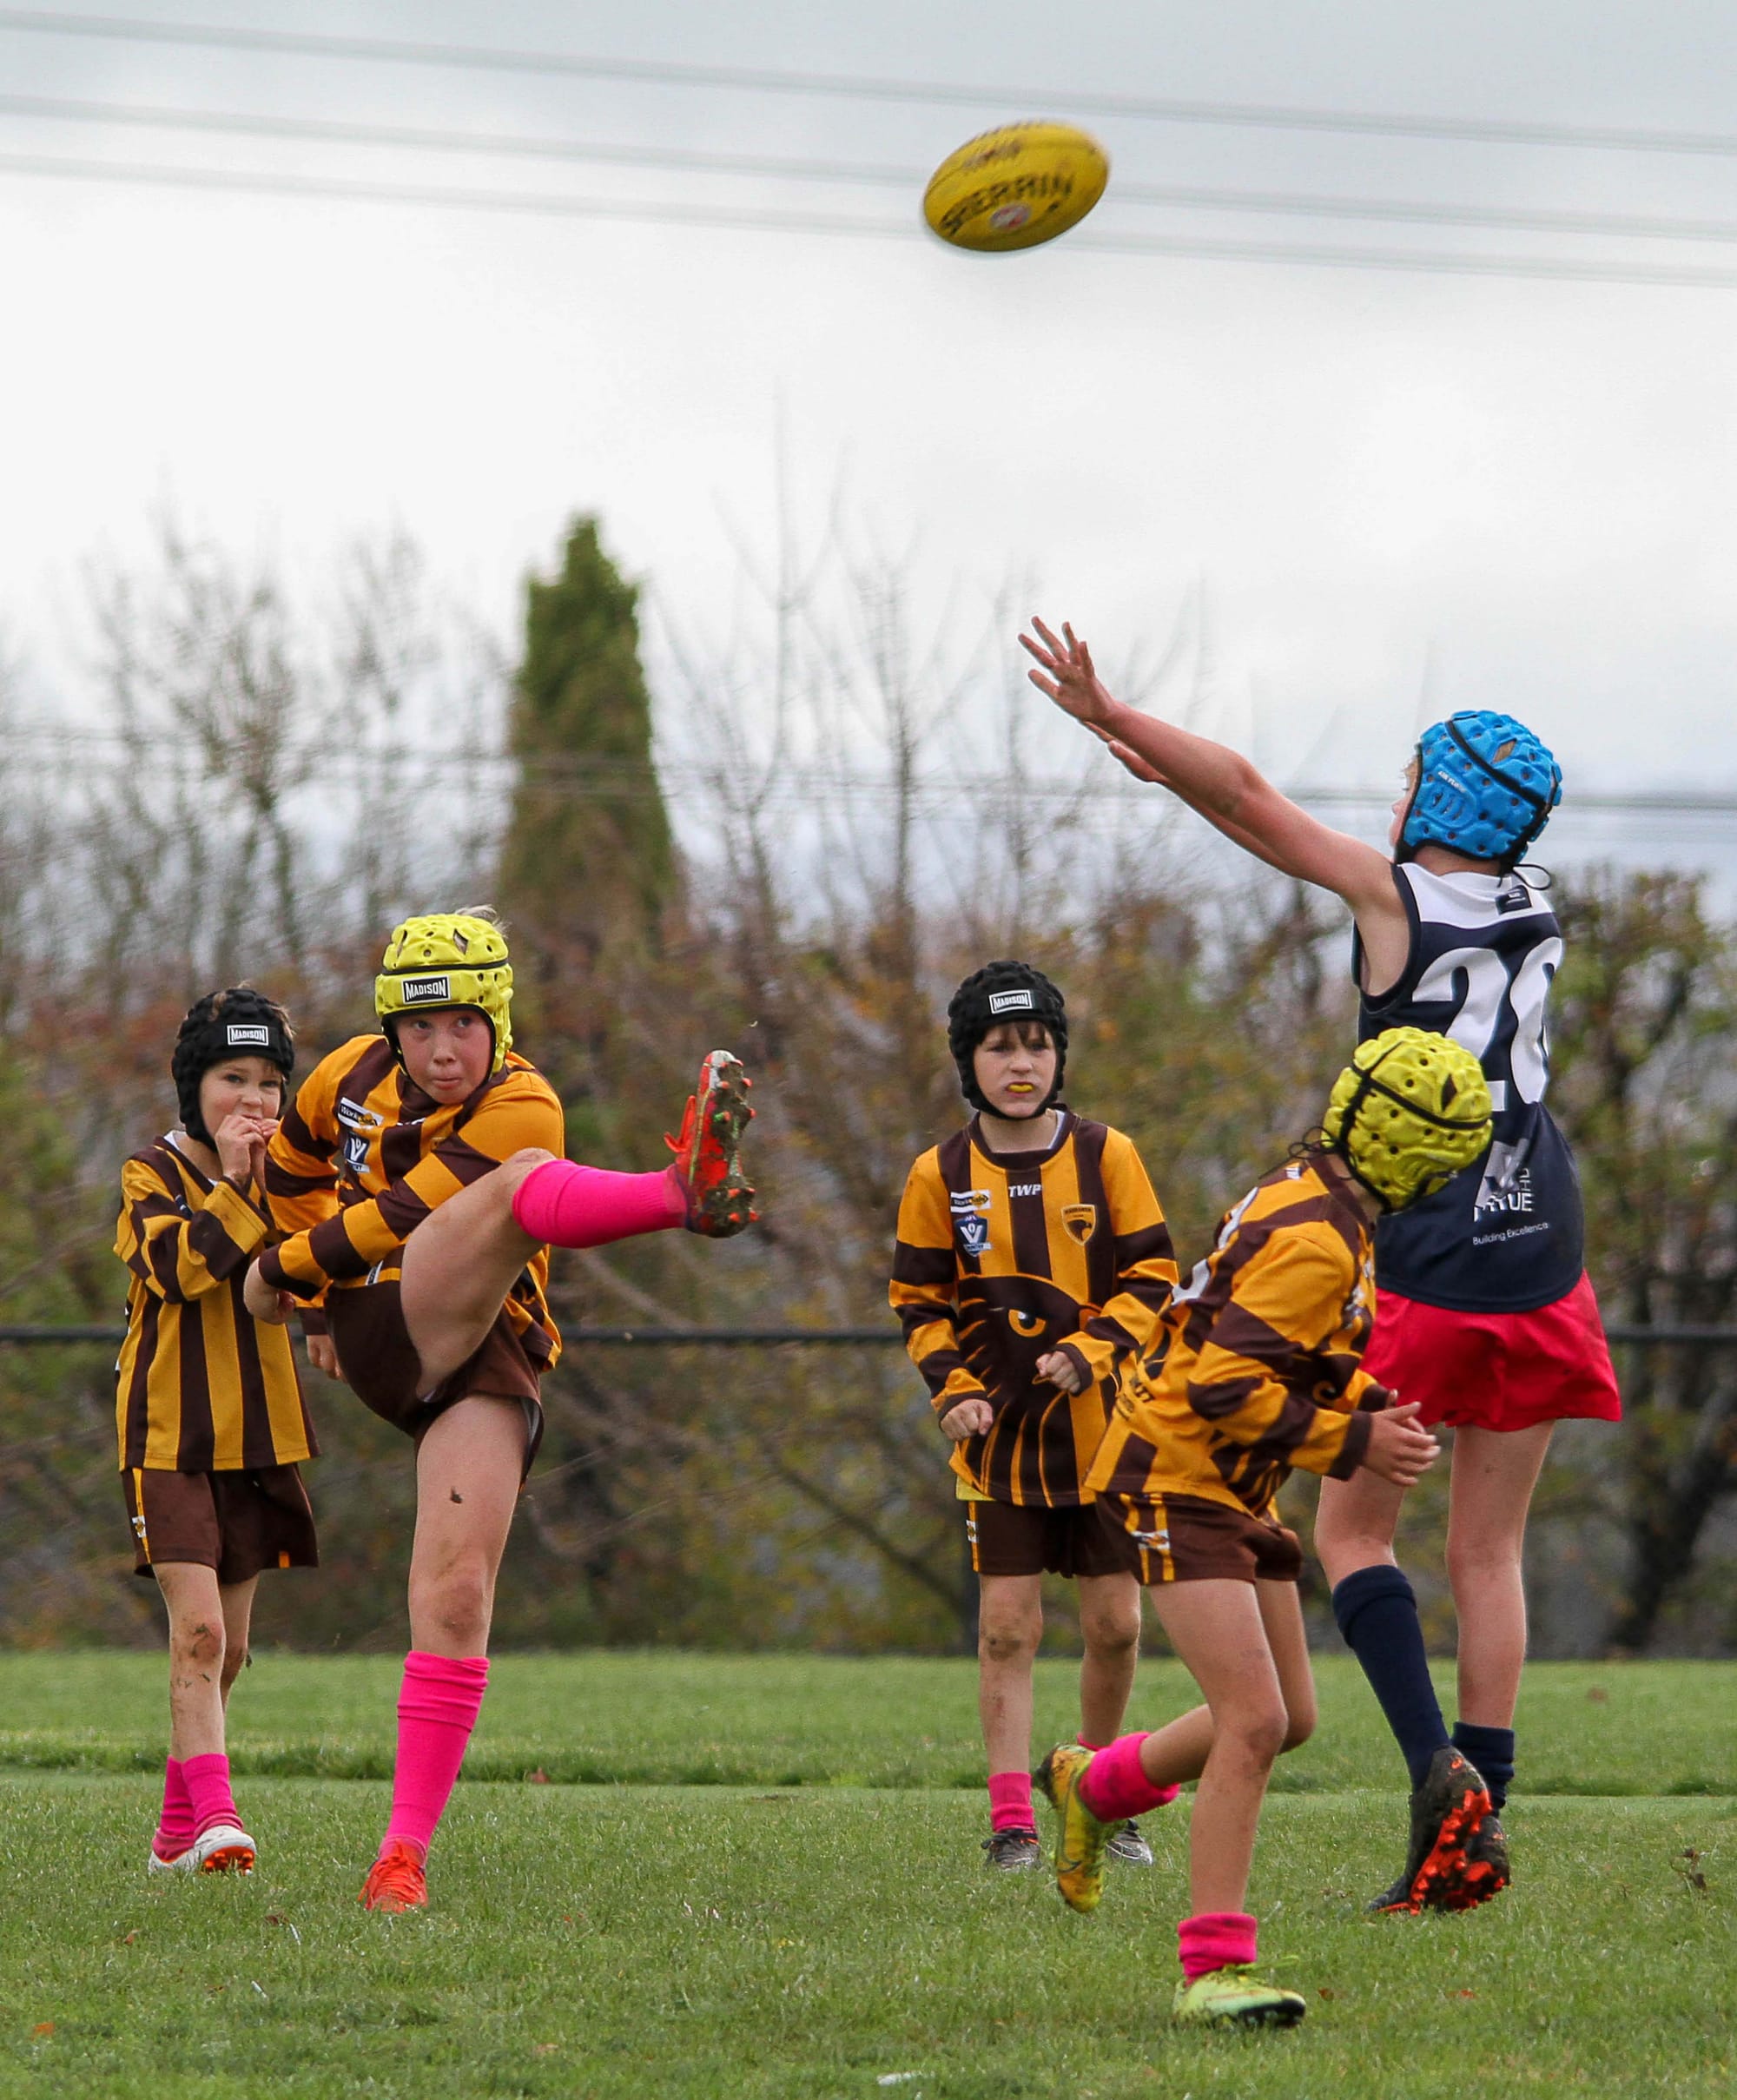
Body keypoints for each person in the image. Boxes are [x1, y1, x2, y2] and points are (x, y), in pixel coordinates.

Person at [1021, 616, 1621, 1913]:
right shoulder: (1534, 902)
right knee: (1490, 1553)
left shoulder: (1393, 898)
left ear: (1440, 799)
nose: (1395, 796)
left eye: (1412, 777)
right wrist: (1174, 776)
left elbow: (1251, 798)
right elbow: (1251, 815)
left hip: (1426, 1248)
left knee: (1351, 1529)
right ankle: (1482, 1822)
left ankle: (1432, 1778)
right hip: (1542, 1245)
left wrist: (1116, 715)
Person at [254, 911, 754, 1913]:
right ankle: (675, 1193)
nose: (444, 1050)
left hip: (480, 1352)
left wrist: (280, 1272)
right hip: (378, 1318)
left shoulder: (525, 1101)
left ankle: (400, 1860)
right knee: (517, 1184)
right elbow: (292, 1176)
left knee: (454, 1600)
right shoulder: (343, 1075)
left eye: (465, 1025)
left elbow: (395, 1216)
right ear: (391, 1030)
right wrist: (306, 1299)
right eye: (421, 1027)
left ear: (499, 1021)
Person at [1037, 1028, 1494, 2029]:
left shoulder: (1318, 1198)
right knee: (1250, 1720)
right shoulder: (1319, 1237)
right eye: (1448, 1163)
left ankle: (1094, 1788)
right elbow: (1217, 1383)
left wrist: (1366, 1400)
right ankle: (1211, 1969)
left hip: (1232, 1484)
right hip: (1176, 1476)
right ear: (1415, 1158)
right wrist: (1350, 1441)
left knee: (1288, 1716)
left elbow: (1286, 1347)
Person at [890, 961, 1179, 1870]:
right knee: (1006, 1630)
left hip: (1107, 1443)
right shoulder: (938, 1173)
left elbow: (1154, 1278)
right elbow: (918, 1302)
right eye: (998, 1047)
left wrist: (1092, 1351)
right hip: (1001, 1449)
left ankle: (1098, 1795)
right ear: (966, 1062)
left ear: (1059, 1058)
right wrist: (953, 1390)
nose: (1020, 1065)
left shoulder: (1107, 1155)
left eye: (1036, 1046)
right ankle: (1012, 1822)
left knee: (1116, 1629)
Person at [116, 987, 318, 1876]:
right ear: (193, 1087)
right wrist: (236, 1189)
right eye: (233, 1078)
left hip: (259, 1436)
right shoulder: (148, 1174)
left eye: (270, 1082)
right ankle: (219, 1821)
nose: (254, 1100)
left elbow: (318, 1265)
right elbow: (175, 1268)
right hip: (168, 1437)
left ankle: (174, 1832)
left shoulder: (292, 1179)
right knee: (196, 1633)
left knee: (229, 1652)